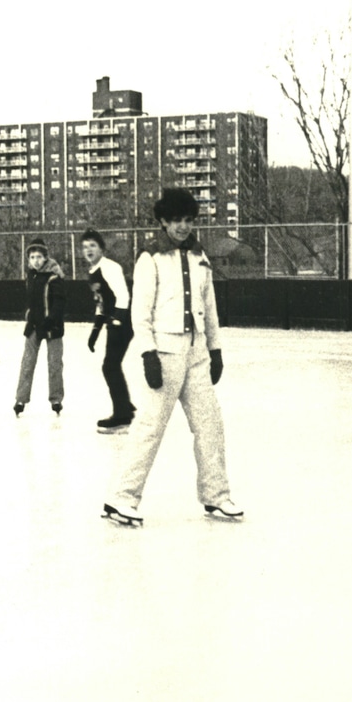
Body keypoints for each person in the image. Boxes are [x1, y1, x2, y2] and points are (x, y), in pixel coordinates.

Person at [103, 188, 241, 526]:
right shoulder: (150, 257)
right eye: (176, 220)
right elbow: (140, 311)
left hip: (196, 354)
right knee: (150, 428)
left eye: (188, 220)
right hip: (164, 354)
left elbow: (210, 308)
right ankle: (120, 499)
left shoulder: (200, 257)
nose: (183, 227)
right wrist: (148, 353)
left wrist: (215, 348)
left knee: (210, 425)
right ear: (164, 221)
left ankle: (216, 496)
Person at [81, 229, 135, 434]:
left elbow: (123, 295)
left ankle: (122, 416)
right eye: (85, 247)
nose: (88, 250)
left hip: (123, 321)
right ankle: (125, 405)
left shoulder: (110, 267)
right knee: (112, 365)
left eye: (92, 245)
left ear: (102, 249)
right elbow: (101, 303)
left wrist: (118, 320)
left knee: (110, 366)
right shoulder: (93, 271)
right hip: (114, 321)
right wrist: (95, 331)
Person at [13, 238, 65, 417]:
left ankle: (56, 399)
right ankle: (21, 399)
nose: (35, 260)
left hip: (52, 327)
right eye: (32, 257)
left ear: (45, 258)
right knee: (27, 362)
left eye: (39, 257)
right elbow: (29, 300)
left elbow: (59, 302)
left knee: (54, 364)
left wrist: (51, 320)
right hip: (34, 325)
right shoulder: (31, 275)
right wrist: (28, 314)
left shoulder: (54, 276)